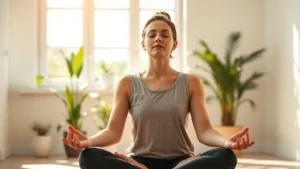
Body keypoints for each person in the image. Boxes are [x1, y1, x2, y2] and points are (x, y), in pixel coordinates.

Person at [62, 11, 255, 169]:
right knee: (88, 157)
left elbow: (204, 131)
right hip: (138, 162)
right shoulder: (128, 83)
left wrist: (227, 143)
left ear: (174, 44)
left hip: (181, 163)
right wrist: (87, 142)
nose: (158, 39)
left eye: (165, 34)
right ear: (143, 44)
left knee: (226, 156)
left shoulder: (191, 82)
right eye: (151, 34)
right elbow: (113, 131)